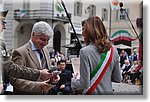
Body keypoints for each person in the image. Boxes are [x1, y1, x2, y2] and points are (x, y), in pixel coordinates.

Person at [0, 10, 58, 94]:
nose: (45, 43)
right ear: (33, 35)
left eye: (47, 40)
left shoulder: (45, 50)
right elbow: (14, 77)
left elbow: (46, 73)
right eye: (42, 39)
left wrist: (52, 78)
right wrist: (39, 85)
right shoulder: (20, 52)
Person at [71, 16, 121, 95]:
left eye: (84, 29)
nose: (82, 33)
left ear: (90, 31)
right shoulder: (113, 50)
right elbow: (117, 78)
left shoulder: (85, 51)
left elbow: (84, 84)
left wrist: (72, 81)